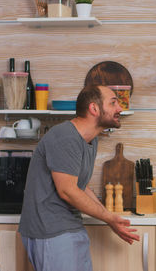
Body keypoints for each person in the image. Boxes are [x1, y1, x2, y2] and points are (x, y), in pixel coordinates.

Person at [18, 85, 140, 271]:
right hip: (50, 230)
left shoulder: (90, 139)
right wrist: (108, 217)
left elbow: (80, 186)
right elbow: (68, 191)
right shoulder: (66, 137)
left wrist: (110, 218)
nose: (120, 108)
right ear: (94, 108)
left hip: (68, 228)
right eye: (113, 103)